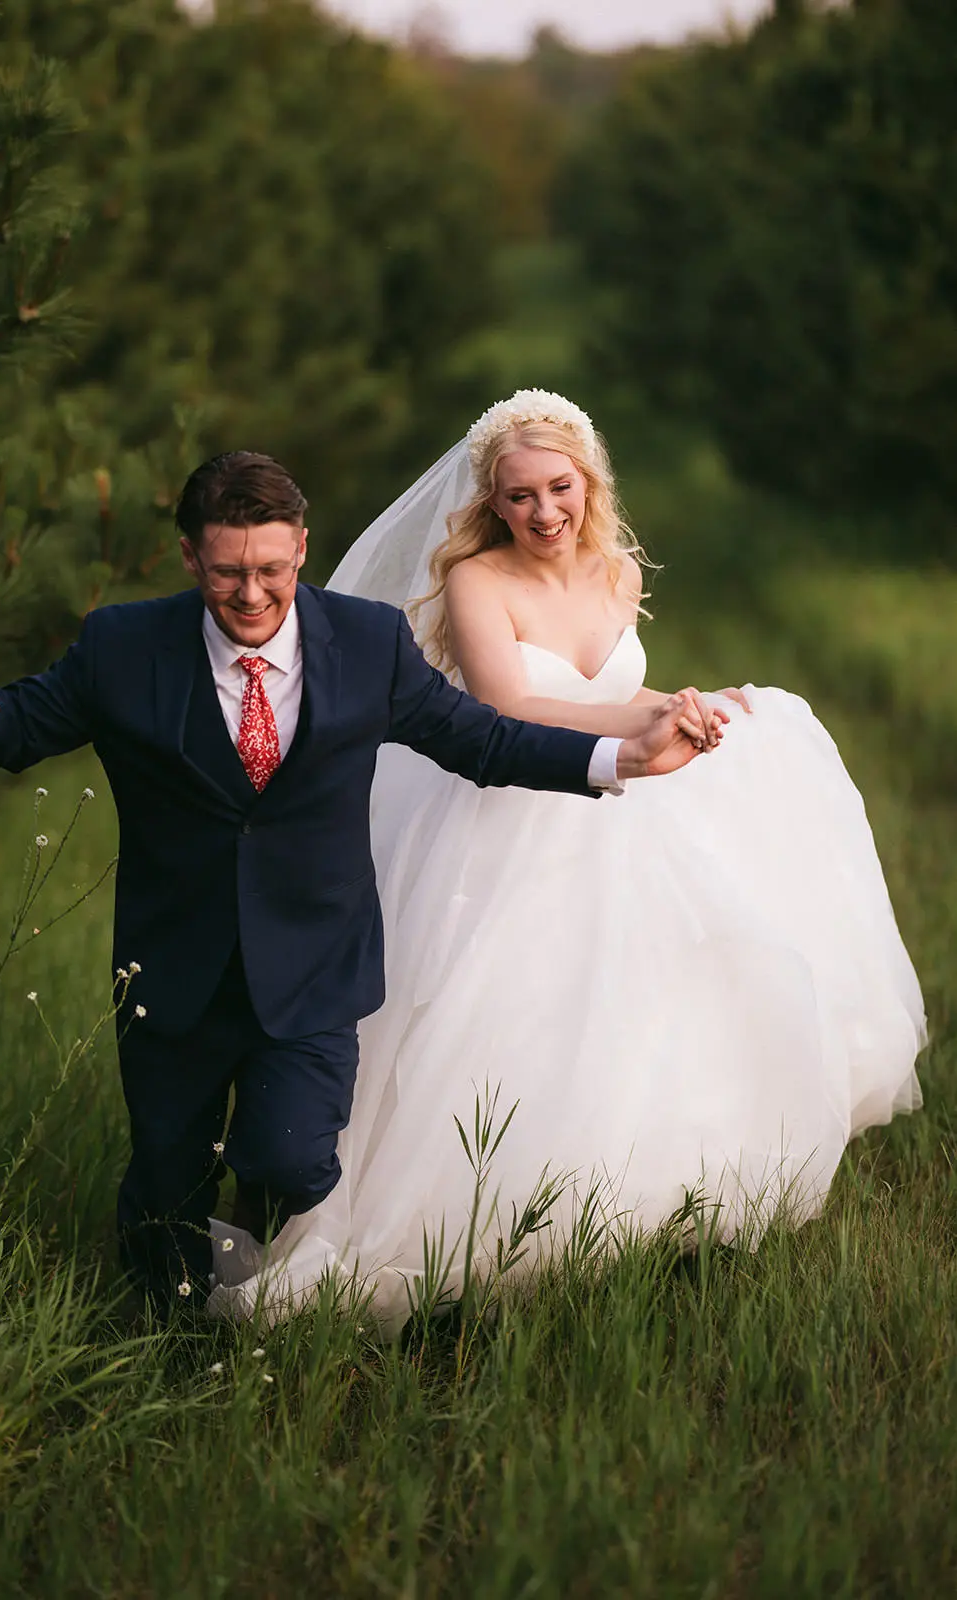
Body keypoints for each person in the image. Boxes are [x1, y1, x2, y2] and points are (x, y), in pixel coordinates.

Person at [0, 448, 712, 1313]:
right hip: (173, 964)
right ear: (191, 559)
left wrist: (618, 755)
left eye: (268, 569)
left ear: (299, 547)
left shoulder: (367, 642)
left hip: (313, 959)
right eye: (225, 574)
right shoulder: (125, 645)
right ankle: (162, 1327)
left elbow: (480, 739)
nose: (250, 595)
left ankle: (255, 1245)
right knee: (168, 1174)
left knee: (293, 1158)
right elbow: (25, 717)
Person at [208, 390, 926, 1332]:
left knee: (659, 988)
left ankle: (642, 1201)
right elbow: (509, 708)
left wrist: (688, 703)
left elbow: (615, 685)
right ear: (490, 502)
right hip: (501, 808)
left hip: (620, 808)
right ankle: (474, 1221)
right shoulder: (474, 579)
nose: (544, 513)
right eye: (518, 497)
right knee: (501, 1014)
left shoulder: (618, 572)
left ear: (589, 482)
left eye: (559, 488)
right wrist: (643, 722)